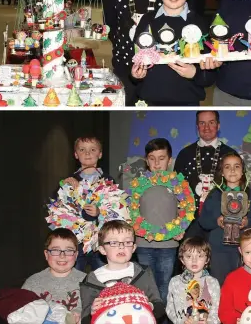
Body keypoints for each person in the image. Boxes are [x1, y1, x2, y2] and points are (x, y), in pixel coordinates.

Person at [130, 0, 216, 106]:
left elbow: (210, 75)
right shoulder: (147, 21)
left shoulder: (200, 24)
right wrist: (135, 75)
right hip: (150, 102)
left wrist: (195, 73)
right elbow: (134, 60)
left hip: (187, 102)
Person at [79, 220, 165, 324]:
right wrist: (92, 312)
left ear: (133, 248)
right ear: (102, 249)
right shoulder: (92, 280)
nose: (121, 246)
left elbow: (159, 306)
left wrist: (149, 306)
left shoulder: (143, 272)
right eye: (113, 242)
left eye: (127, 242)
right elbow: (84, 318)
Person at [198, 152, 251, 284]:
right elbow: (203, 220)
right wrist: (216, 221)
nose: (232, 170)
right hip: (218, 249)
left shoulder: (250, 194)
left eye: (237, 166)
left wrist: (247, 222)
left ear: (243, 171)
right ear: (221, 172)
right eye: (227, 167)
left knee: (243, 285)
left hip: (245, 250)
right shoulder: (213, 194)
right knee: (220, 285)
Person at [135, 138, 183, 301]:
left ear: (169, 161)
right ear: (146, 161)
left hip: (168, 244)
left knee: (164, 286)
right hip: (143, 243)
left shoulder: (178, 185)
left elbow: (185, 211)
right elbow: (131, 211)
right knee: (146, 287)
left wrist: (180, 228)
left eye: (161, 158)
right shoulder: (139, 185)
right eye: (152, 158)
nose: (156, 163)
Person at [175, 111, 235, 243]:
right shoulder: (185, 154)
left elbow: (239, 187)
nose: (206, 127)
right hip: (190, 222)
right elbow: (176, 188)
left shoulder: (230, 154)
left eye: (211, 122)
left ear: (218, 126)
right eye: (202, 123)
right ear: (197, 127)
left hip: (221, 222)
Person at [61, 136, 115, 272]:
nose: (87, 153)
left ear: (100, 154)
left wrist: (100, 212)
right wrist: (65, 187)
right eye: (82, 150)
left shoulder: (108, 181)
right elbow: (60, 211)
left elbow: (117, 210)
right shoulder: (70, 181)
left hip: (100, 241)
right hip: (76, 241)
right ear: (76, 154)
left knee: (104, 277)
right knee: (74, 276)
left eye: (92, 149)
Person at [22, 229, 85, 323]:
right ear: (46, 254)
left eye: (68, 250)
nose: (62, 256)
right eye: (55, 250)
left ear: (76, 255)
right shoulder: (32, 283)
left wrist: (80, 315)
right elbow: (20, 312)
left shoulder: (87, 282)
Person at [166, 237, 221, 324]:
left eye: (200, 256)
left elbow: (216, 312)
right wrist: (183, 321)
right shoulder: (175, 282)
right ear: (182, 259)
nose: (194, 260)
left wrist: (209, 321)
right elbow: (170, 309)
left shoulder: (213, 283)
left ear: (207, 260)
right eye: (189, 256)